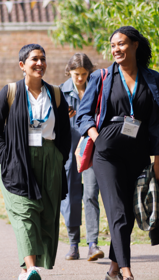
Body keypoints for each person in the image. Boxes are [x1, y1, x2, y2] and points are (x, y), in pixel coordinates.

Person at [76, 26, 159, 280]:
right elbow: (83, 114)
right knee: (117, 210)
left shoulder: (152, 79)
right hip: (107, 154)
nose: (116, 50)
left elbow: (158, 122)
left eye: (121, 44)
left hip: (138, 154)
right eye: (112, 46)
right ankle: (126, 270)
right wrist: (96, 137)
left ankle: (113, 269)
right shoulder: (102, 76)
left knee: (129, 214)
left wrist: (158, 161)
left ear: (135, 45)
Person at [0, 44, 71, 280]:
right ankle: (32, 268)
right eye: (34, 59)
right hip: (17, 159)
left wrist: (59, 157)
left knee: (45, 213)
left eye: (43, 59)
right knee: (24, 212)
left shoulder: (55, 94)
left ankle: (26, 270)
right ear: (22, 65)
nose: (39, 63)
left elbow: (65, 132)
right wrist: (4, 157)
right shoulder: (10, 92)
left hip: (49, 159)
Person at [60, 53, 105, 261]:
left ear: (89, 72)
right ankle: (73, 245)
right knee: (70, 197)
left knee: (90, 193)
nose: (80, 78)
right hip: (68, 152)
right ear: (69, 72)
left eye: (84, 74)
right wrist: (62, 118)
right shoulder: (59, 92)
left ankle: (93, 244)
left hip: (90, 149)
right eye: (76, 74)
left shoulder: (97, 88)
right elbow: (48, 124)